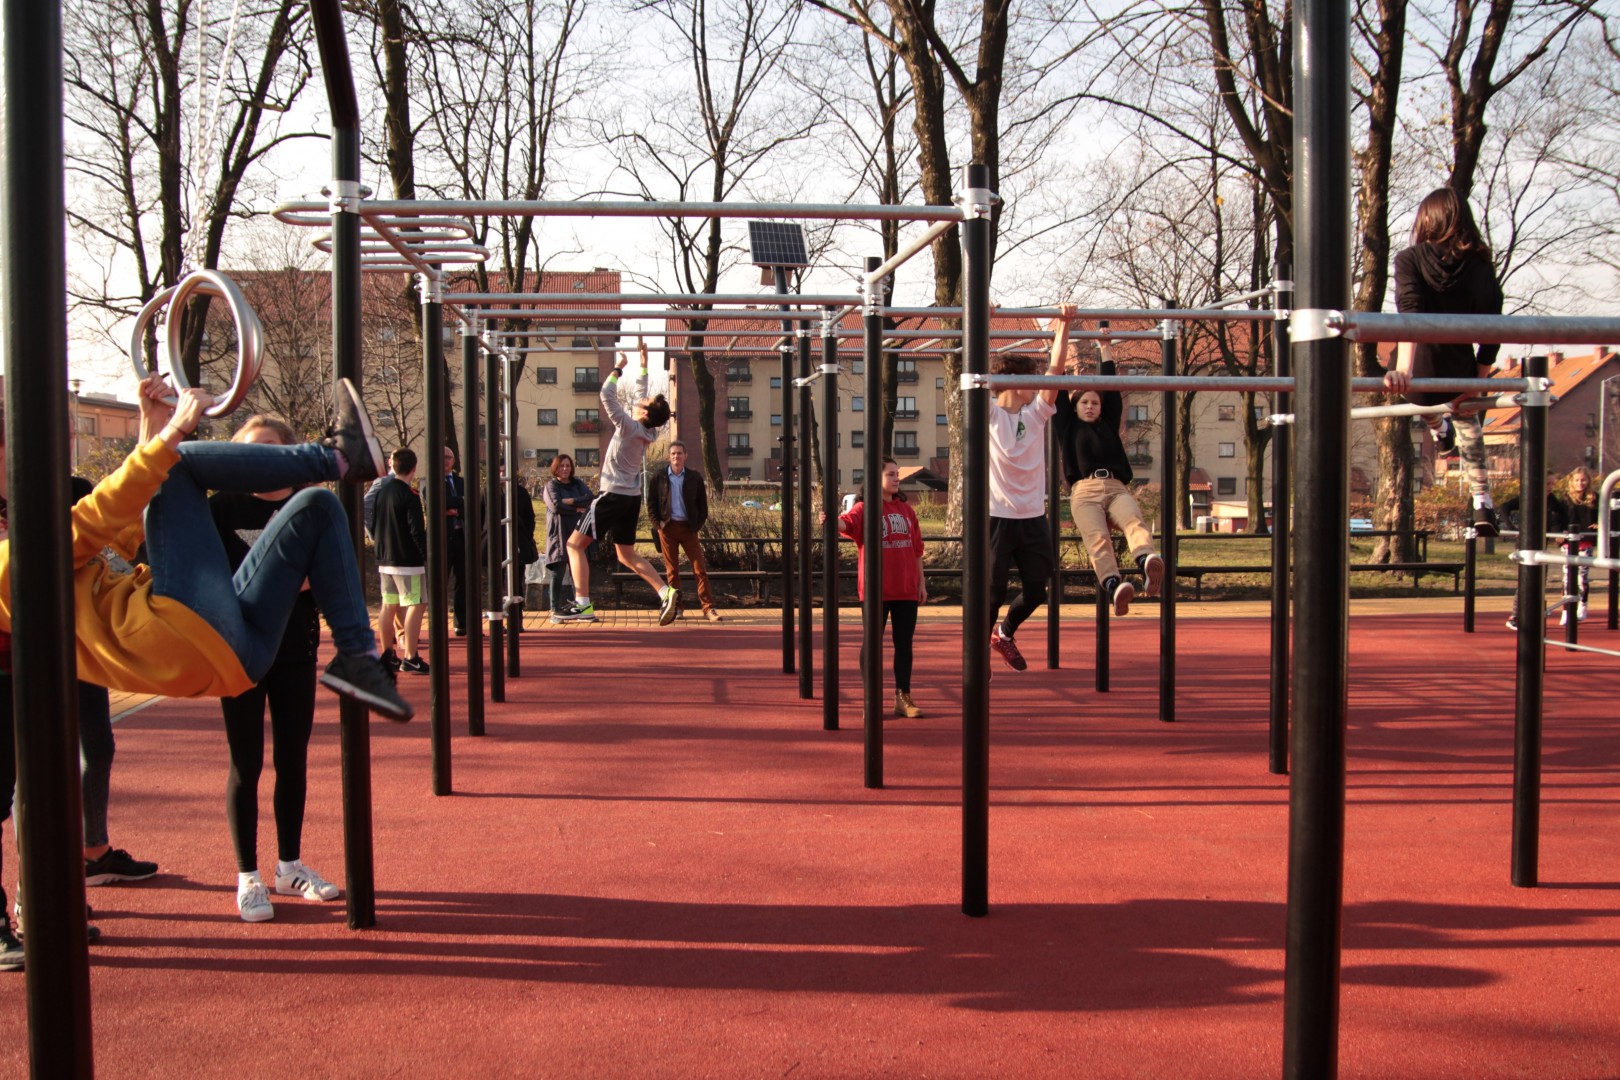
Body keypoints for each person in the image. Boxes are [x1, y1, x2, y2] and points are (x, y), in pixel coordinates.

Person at [0, 374, 413, 722]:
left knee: (318, 506)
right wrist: (173, 432)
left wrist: (152, 425)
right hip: (177, 631)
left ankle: (358, 658)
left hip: (238, 657)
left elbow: (126, 522)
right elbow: (100, 514)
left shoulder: (44, 558)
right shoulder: (11, 563)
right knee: (179, 464)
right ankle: (337, 459)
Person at [210, 415, 340, 923]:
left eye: (267, 449)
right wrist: (285, 576)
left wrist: (280, 579)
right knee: (246, 761)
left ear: (286, 453)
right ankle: (248, 875)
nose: (256, 458)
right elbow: (220, 577)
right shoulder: (222, 508)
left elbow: (326, 574)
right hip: (238, 649)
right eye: (247, 450)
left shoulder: (309, 506)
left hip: (295, 646)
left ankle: (289, 865)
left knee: (294, 756)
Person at [1382, 186, 1505, 537]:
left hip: (1419, 371)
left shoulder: (1409, 258)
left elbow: (1410, 315)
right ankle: (1483, 502)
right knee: (1469, 422)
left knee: (1410, 389)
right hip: (1459, 371)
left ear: (1426, 221)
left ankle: (1438, 428)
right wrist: (1476, 383)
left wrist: (1405, 370)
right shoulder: (1481, 265)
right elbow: (1493, 330)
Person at [555, 339, 679, 625]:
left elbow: (605, 394)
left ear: (645, 413)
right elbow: (642, 394)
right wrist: (644, 364)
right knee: (626, 554)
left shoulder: (627, 427)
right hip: (631, 498)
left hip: (612, 496)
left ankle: (583, 604)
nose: (640, 401)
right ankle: (665, 591)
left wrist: (619, 367)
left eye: (643, 404)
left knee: (574, 545)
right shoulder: (649, 432)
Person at [986, 305, 1075, 672]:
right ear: (1012, 381)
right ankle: (980, 654)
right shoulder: (988, 412)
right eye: (1031, 378)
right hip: (998, 517)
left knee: (1038, 589)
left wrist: (1064, 325)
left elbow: (1056, 370)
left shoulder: (1035, 416)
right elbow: (979, 372)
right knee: (991, 594)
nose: (1039, 384)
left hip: (1033, 518)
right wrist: (983, 321)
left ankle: (1004, 634)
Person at [1054, 328, 1166, 616]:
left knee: (1134, 521)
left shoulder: (1108, 423)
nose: (1090, 406)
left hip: (1116, 487)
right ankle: (1115, 585)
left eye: (1094, 403)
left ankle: (1146, 560)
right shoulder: (1067, 426)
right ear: (1075, 406)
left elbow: (1111, 388)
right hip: (1084, 491)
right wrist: (1055, 345)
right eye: (1084, 402)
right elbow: (1057, 388)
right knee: (1098, 540)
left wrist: (1105, 347)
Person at [827, 458, 926, 717]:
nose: (896, 479)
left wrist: (921, 582)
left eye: (897, 475)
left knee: (904, 645)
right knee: (872, 644)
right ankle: (871, 698)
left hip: (905, 589)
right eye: (891, 474)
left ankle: (903, 697)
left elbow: (917, 550)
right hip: (875, 590)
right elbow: (846, 524)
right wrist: (829, 517)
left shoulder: (906, 510)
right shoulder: (865, 508)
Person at [647, 440, 723, 622]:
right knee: (672, 571)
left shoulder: (694, 477)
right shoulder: (659, 477)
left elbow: (702, 506)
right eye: (673, 454)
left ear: (685, 456)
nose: (676, 457)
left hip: (689, 529)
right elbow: (651, 503)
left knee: (700, 570)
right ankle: (677, 609)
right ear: (669, 457)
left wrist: (696, 525)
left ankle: (708, 608)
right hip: (668, 528)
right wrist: (659, 525)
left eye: (679, 453)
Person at [371, 448, 429, 675]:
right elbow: (416, 529)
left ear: (392, 466)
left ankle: (388, 654)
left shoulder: (380, 492)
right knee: (416, 603)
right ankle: (411, 656)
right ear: (413, 469)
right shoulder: (410, 495)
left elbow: (374, 524)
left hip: (386, 557)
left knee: (388, 604)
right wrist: (426, 554)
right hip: (407, 559)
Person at [542, 453, 592, 622]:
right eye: (562, 466)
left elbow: (589, 498)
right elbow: (556, 506)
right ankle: (554, 610)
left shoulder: (578, 483)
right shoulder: (551, 486)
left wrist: (570, 501)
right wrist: (576, 508)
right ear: (556, 468)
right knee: (558, 572)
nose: (565, 469)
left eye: (568, 466)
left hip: (576, 532)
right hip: (558, 533)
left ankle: (579, 608)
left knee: (577, 572)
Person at [1553, 465, 1599, 624]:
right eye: (1577, 480)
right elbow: (1557, 518)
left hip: (1585, 541)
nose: (1580, 483)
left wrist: (1599, 524)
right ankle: (1566, 610)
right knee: (1567, 578)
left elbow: (1602, 516)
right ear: (1572, 481)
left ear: (1588, 481)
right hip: (1568, 542)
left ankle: (1582, 606)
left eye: (1583, 480)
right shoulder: (1565, 499)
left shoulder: (1594, 497)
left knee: (1581, 578)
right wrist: (1559, 533)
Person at [443, 446, 468, 635]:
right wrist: (460, 501)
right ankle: (438, 624)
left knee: (463, 581)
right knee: (440, 582)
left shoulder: (461, 482)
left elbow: (472, 503)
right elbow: (434, 503)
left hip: (462, 536)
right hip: (442, 539)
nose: (446, 461)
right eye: (442, 457)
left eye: (449, 457)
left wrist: (455, 505)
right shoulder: (430, 481)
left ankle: (461, 623)